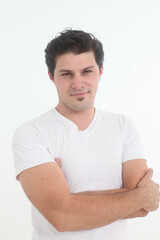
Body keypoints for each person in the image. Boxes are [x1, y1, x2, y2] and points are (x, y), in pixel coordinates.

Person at [12, 29, 160, 240]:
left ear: (100, 72)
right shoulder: (32, 133)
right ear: (51, 76)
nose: (78, 83)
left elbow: (143, 208)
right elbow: (62, 216)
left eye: (87, 71)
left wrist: (72, 202)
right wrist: (140, 195)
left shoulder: (124, 126)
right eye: (67, 74)